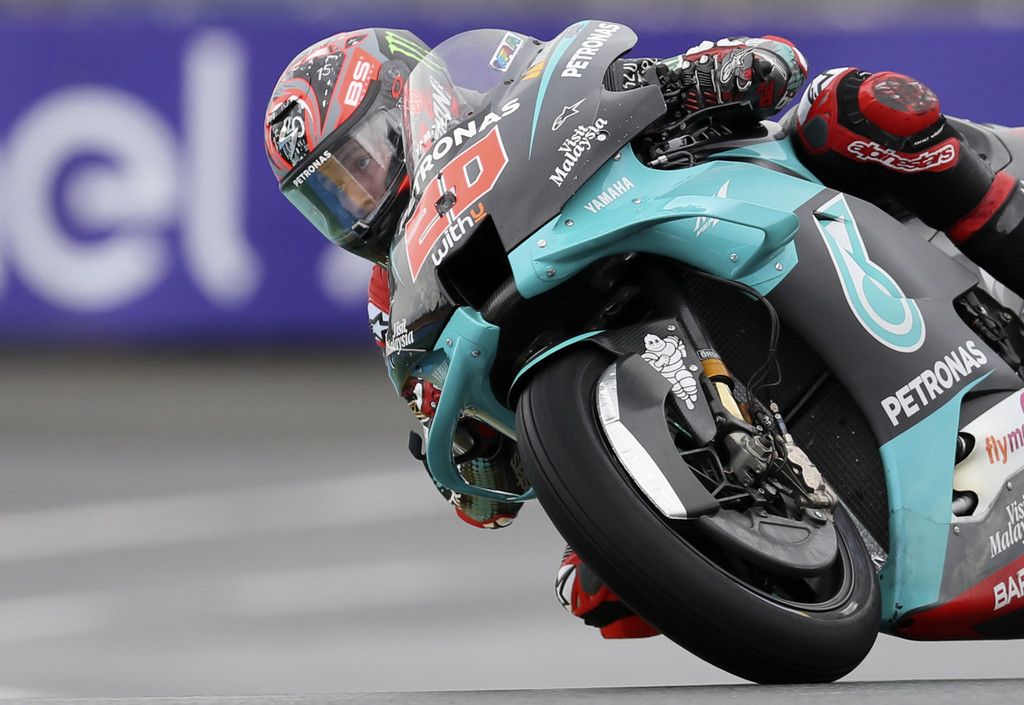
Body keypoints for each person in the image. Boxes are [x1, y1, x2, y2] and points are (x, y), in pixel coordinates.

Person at [264, 26, 1024, 641]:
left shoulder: (519, 95)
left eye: (360, 161)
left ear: (410, 102)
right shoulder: (397, 302)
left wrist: (711, 75)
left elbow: (768, 65)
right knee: (598, 586)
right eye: (330, 194)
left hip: (744, 183)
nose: (357, 198)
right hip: (625, 360)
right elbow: (486, 494)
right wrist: (470, 446)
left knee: (858, 107)